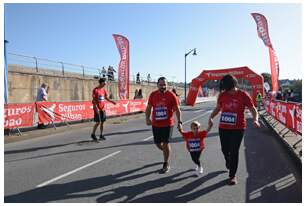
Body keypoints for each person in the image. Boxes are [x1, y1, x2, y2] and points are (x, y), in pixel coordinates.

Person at [208, 74, 260, 185]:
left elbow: (252, 109)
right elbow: (218, 108)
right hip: (224, 127)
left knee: (234, 151)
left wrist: (255, 119)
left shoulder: (243, 95)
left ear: (231, 85)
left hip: (238, 128)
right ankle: (228, 160)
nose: (224, 88)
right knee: (225, 149)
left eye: (225, 86)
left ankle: (232, 175)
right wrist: (211, 117)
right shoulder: (222, 95)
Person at [146, 77, 182, 173]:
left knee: (166, 143)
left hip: (168, 124)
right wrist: (147, 118)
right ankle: (166, 152)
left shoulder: (171, 95)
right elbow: (149, 108)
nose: (163, 86)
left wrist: (180, 122)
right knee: (157, 143)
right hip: (156, 124)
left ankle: (166, 163)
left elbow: (178, 110)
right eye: (161, 84)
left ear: (167, 85)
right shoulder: (153, 95)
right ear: (157, 85)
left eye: (164, 84)